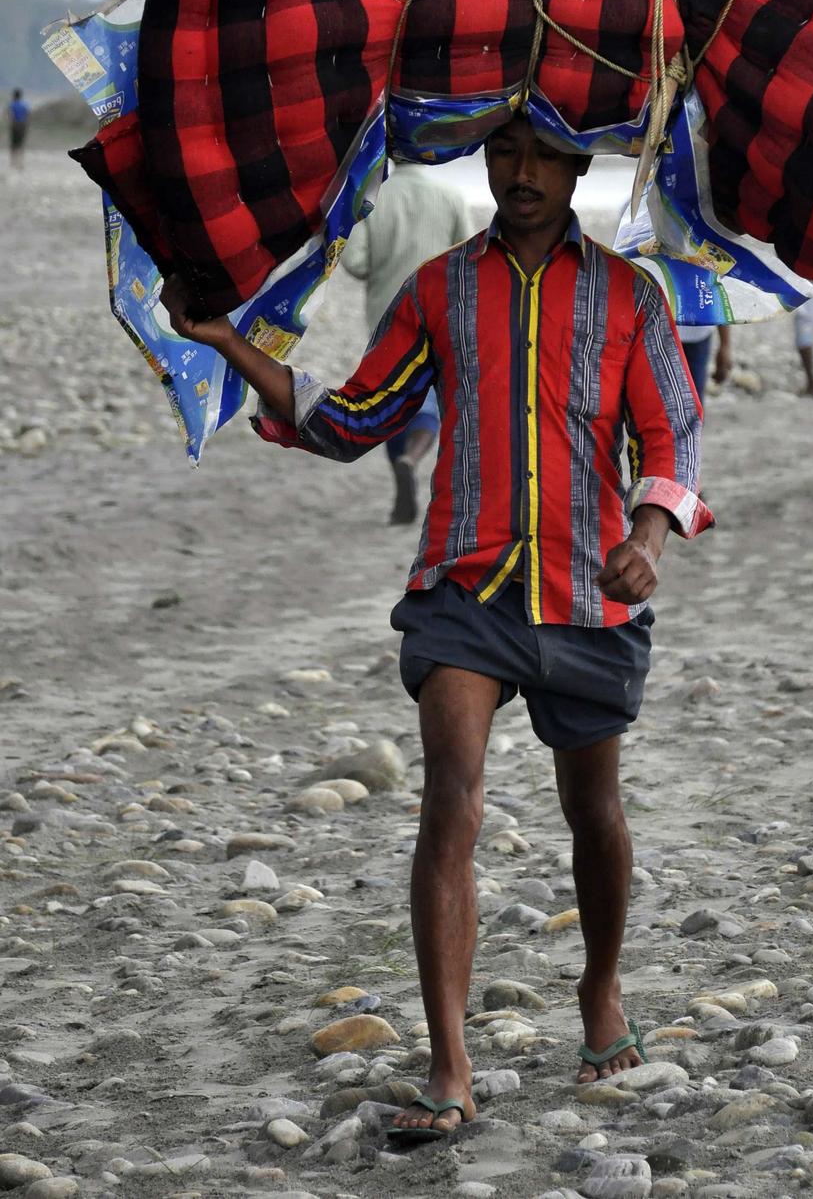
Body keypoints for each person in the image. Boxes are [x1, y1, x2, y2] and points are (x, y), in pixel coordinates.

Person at [162, 116, 712, 1139]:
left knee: (593, 810)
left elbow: (671, 430)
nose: (521, 172)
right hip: (464, 587)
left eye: (543, 153)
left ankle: (599, 988)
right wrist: (228, 339)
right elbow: (349, 418)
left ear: (580, 163)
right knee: (450, 799)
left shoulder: (630, 295)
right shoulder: (438, 288)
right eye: (503, 152)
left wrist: (649, 533)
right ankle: (448, 1062)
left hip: (588, 591)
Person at [340, 159, 474, 523]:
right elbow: (471, 257)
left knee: (390, 398)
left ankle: (402, 468)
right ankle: (412, 460)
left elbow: (355, 262)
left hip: (387, 318)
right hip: (440, 314)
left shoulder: (374, 201)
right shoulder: (450, 196)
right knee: (429, 397)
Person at [678, 324, 731, 406]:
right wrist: (725, 345)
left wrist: (725, 345)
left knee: (694, 401)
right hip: (662, 334)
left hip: (698, 337)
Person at [7, 89, 29, 166]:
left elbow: (11, 115)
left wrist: (11, 124)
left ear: (14, 96)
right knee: (21, 143)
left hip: (15, 125)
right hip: (22, 125)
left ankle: (13, 162)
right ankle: (20, 162)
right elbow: (27, 115)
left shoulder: (12, 104)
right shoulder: (25, 105)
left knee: (13, 144)